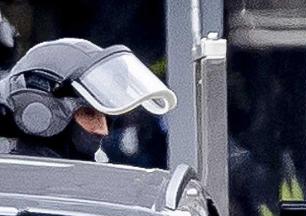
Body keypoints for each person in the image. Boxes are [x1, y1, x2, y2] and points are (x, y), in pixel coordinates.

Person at [0, 38, 176, 160]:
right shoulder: (12, 182)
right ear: (38, 112)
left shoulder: (91, 182)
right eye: (89, 113)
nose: (103, 130)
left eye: (105, 117)